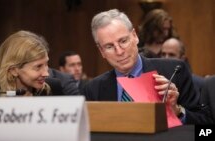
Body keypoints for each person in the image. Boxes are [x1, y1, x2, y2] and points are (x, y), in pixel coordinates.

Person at [82, 9, 212, 124]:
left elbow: (204, 125)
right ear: (101, 51)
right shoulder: (93, 89)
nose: (120, 51)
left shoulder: (174, 71)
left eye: (123, 41)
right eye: (109, 46)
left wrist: (177, 111)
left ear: (135, 36)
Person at [0, 30, 59, 97]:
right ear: (14, 70)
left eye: (46, 64)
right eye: (38, 66)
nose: (46, 73)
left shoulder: (53, 88)